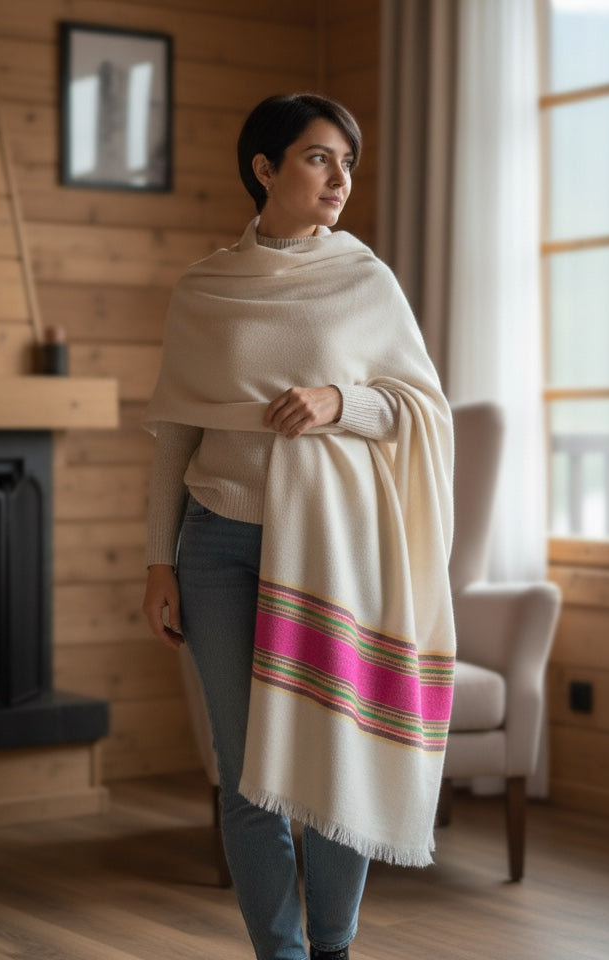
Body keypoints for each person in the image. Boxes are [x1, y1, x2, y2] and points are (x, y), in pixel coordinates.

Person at [142, 93, 455, 960]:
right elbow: (175, 435)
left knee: (334, 757)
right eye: (320, 158)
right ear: (265, 168)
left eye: (348, 162)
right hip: (215, 546)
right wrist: (158, 562)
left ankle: (334, 948)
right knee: (246, 775)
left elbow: (419, 408)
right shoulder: (205, 287)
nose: (340, 178)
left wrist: (339, 402)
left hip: (329, 551)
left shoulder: (365, 280)